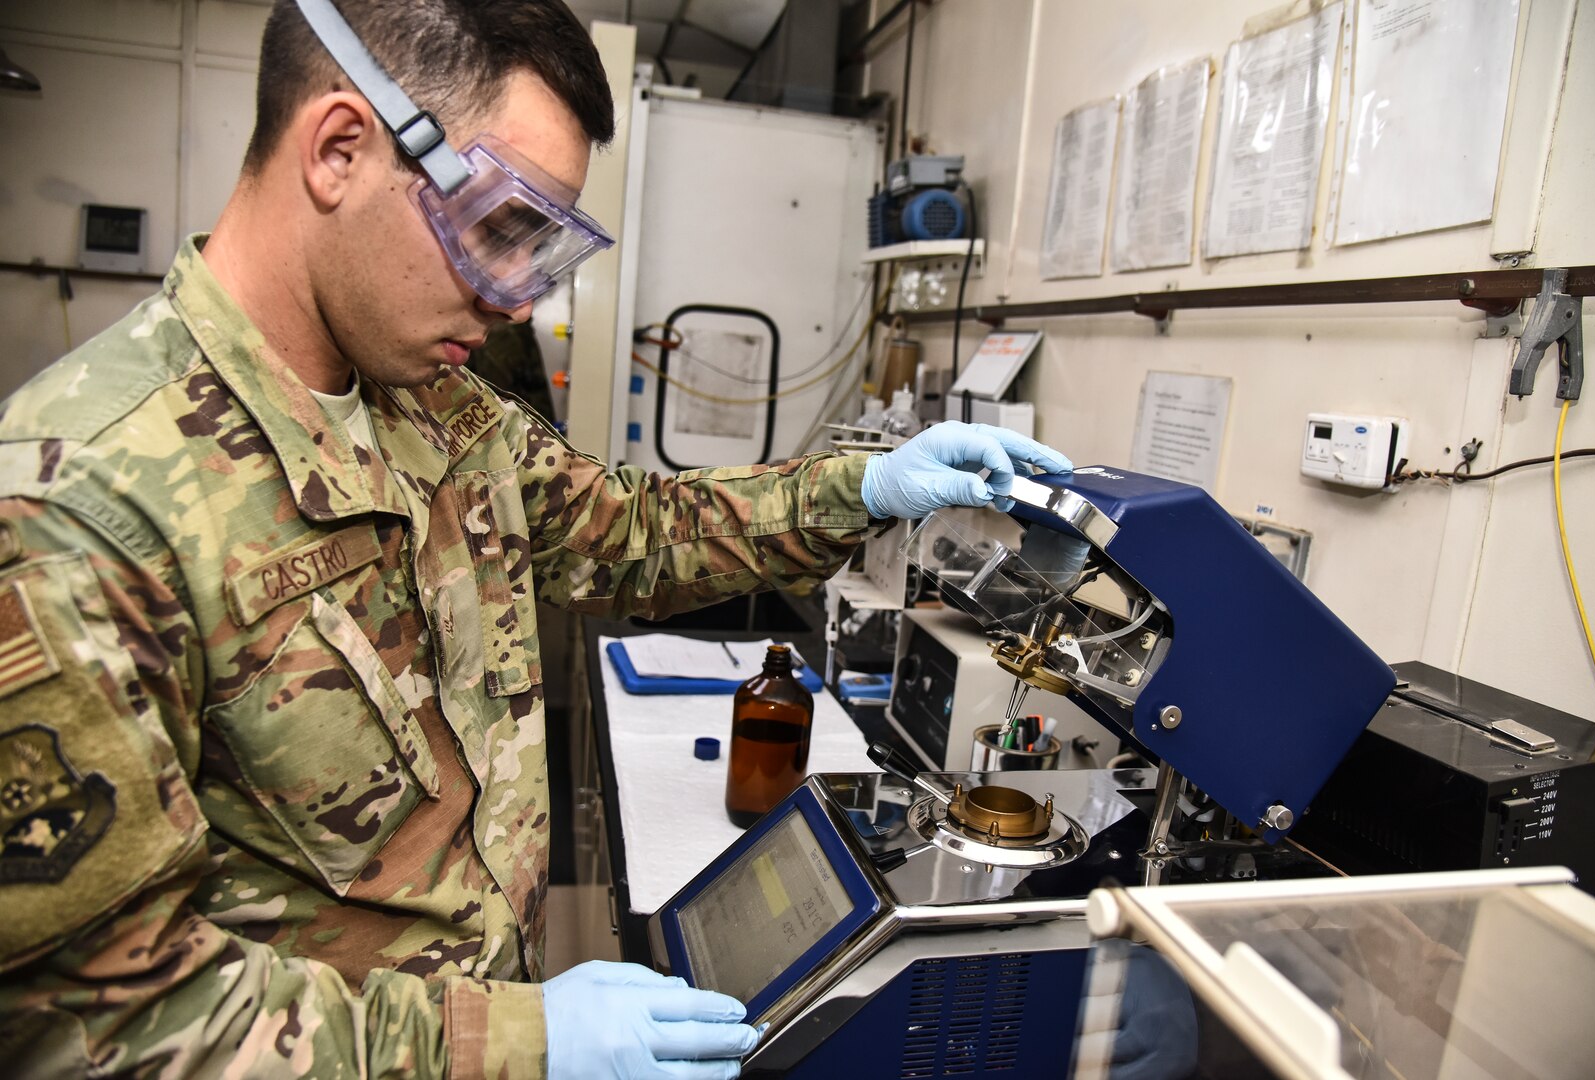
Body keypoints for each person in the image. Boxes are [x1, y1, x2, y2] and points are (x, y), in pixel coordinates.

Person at [0, 1, 1072, 1077]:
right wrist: (511, 1044)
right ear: (338, 149)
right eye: (498, 228)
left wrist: (867, 487)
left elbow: (633, 534)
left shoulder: (436, 406)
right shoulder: (79, 503)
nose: (511, 305)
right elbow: (95, 1023)